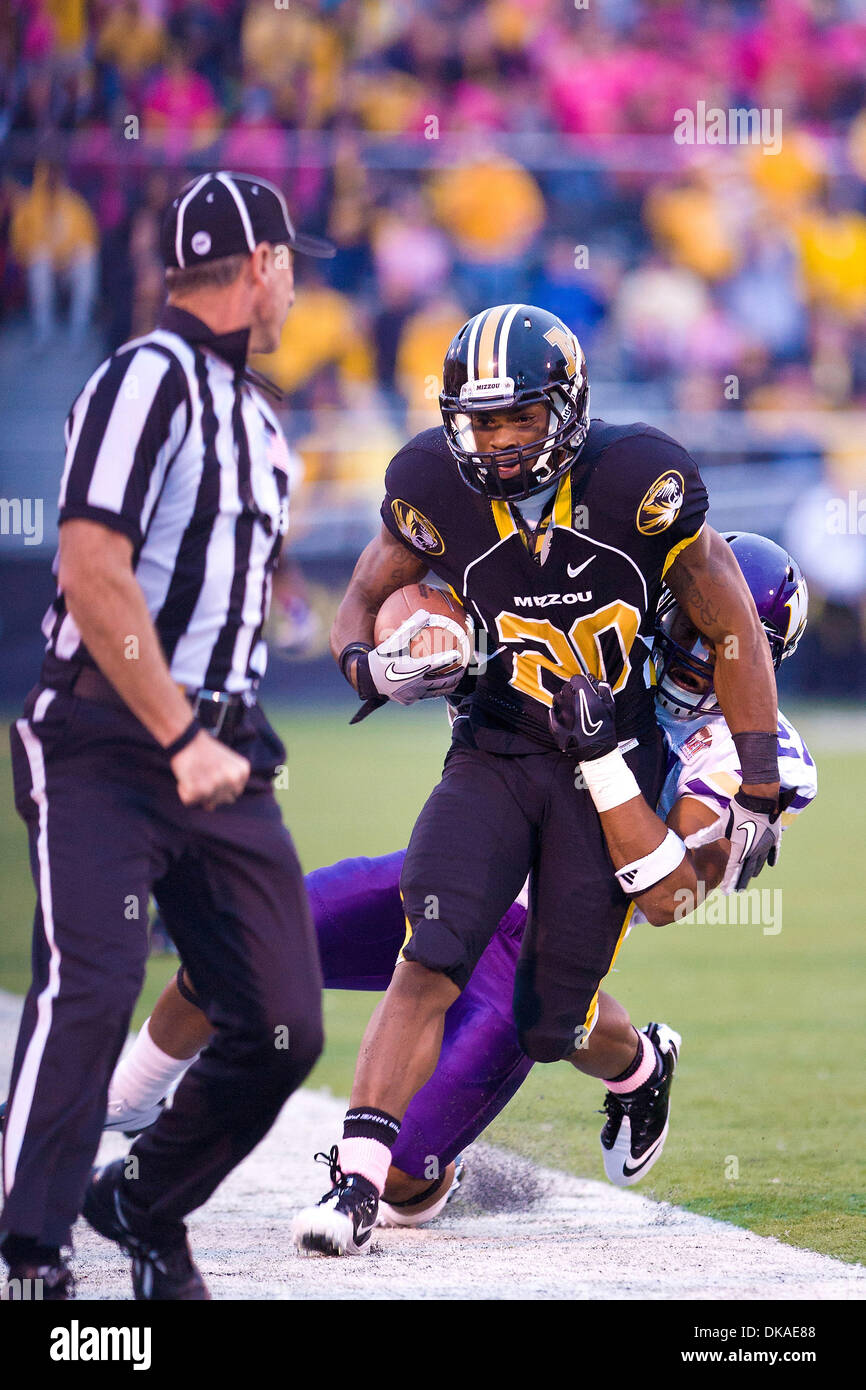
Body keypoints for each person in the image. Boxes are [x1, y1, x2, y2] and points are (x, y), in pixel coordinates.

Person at [61, 534, 814, 1226]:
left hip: (555, 928)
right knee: (240, 944)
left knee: (424, 1161)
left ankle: (638, 1066)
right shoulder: (605, 630)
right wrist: (418, 657)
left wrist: (605, 764)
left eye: (719, 641)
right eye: (686, 627)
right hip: (468, 876)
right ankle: (123, 1099)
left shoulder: (750, 756)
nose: (696, 651)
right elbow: (426, 599)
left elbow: (671, 895)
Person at [293, 304, 790, 1256]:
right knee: (427, 950)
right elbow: (365, 593)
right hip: (494, 745)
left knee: (550, 1019)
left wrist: (759, 786)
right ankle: (355, 1183)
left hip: (607, 765)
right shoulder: (433, 486)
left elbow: (729, 625)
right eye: (479, 421)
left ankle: (640, 1068)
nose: (497, 441)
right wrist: (370, 666)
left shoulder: (638, 481)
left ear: (566, 408)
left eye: (518, 417)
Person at [0, 172, 334, 1302]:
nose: (294, 291)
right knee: (90, 986)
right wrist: (180, 729)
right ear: (264, 268)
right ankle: (29, 1252)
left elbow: (235, 587)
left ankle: (142, 1202)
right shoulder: (147, 379)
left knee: (283, 1024)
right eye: (291, 267)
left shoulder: (258, 418)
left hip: (221, 750)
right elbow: (92, 569)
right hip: (105, 738)